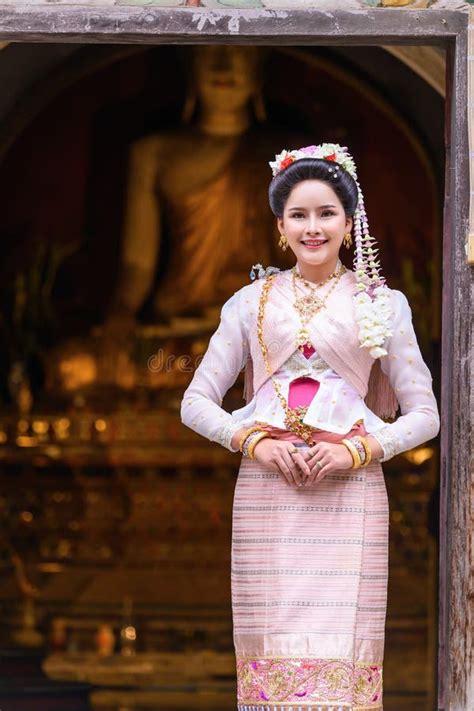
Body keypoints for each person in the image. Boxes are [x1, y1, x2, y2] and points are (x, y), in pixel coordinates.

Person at [180, 142, 440, 711]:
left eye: (327, 214)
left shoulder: (383, 304)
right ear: (280, 226)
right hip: (268, 496)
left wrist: (358, 452)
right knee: (273, 667)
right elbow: (195, 403)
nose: (313, 227)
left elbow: (426, 415)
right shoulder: (248, 304)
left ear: (350, 223)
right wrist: (255, 443)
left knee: (339, 666)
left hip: (350, 497)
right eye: (299, 215)